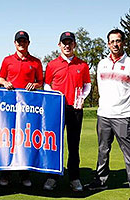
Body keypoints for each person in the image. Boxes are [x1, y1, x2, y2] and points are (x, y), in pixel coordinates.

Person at [43, 31, 91, 192]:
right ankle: (52, 176)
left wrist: (82, 97)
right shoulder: (52, 64)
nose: (67, 45)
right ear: (59, 45)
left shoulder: (82, 65)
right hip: (57, 109)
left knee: (74, 145)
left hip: (75, 109)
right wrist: (54, 96)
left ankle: (74, 178)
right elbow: (47, 84)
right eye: (64, 42)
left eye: (70, 42)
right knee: (54, 144)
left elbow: (87, 85)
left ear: (74, 45)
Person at [0, 30, 44, 187]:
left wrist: (35, 85)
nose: (21, 43)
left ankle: (25, 174)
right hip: (9, 106)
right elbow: (1, 78)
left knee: (24, 139)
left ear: (28, 43)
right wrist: (4, 83)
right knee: (8, 138)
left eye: (24, 41)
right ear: (14, 43)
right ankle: (6, 173)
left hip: (28, 107)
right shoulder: (7, 60)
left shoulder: (36, 62)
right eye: (18, 41)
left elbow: (41, 82)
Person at [86, 29, 130, 190]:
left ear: (123, 42)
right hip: (104, 115)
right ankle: (101, 181)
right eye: (112, 41)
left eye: (118, 41)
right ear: (108, 44)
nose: (115, 44)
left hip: (124, 115)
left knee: (128, 153)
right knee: (102, 150)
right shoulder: (102, 64)